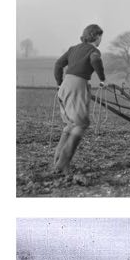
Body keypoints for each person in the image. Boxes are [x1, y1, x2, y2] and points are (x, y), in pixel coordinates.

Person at [52, 24, 107, 174]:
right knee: (81, 124)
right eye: (101, 37)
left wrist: (59, 83)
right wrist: (102, 79)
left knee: (70, 124)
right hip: (78, 85)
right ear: (96, 36)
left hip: (65, 86)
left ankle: (57, 160)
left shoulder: (72, 49)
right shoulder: (93, 50)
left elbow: (58, 64)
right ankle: (63, 163)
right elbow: (95, 61)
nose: (101, 40)